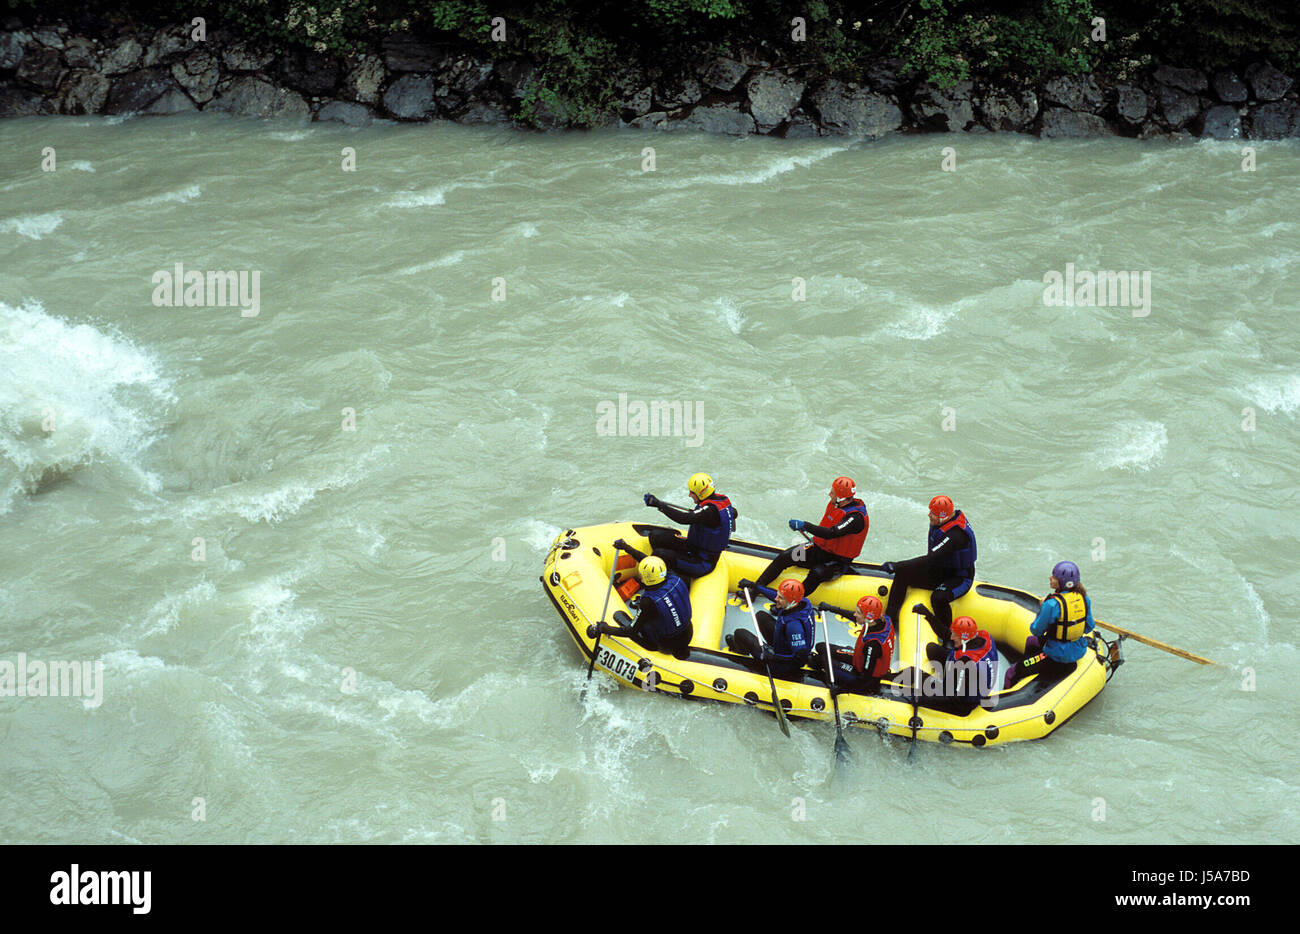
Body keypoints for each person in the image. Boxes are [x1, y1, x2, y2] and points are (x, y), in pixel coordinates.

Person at [754, 476, 869, 599]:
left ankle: (789, 602)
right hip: (818, 550)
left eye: (833, 493)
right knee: (785, 556)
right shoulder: (836, 505)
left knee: (816, 573)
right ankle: (755, 589)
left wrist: (805, 525)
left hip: (837, 561)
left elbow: (831, 533)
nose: (829, 494)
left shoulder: (855, 518)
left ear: (842, 498)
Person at [881, 494, 976, 643]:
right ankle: (889, 621)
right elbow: (933, 561)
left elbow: (930, 559)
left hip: (960, 578)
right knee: (902, 574)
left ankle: (948, 638)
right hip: (941, 570)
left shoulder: (955, 536)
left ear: (944, 517)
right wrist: (900, 568)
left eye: (933, 513)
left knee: (938, 598)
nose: (929, 515)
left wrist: (896, 564)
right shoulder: (942, 523)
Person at [1002, 561, 1095, 689]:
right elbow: (1089, 626)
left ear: (1062, 583)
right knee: (1031, 642)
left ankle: (1022, 672)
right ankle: (1029, 670)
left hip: (1057, 656)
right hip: (1078, 648)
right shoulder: (1084, 599)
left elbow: (1036, 630)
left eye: (1054, 577)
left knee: (1011, 672)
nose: (1050, 578)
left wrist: (1042, 608)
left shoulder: (1051, 604)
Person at [587, 556, 693, 659]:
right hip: (688, 634)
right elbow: (648, 562)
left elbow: (630, 631)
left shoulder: (648, 602)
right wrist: (626, 547)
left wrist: (605, 628)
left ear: (645, 578)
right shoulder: (675, 578)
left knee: (639, 625)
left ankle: (650, 642)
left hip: (666, 645)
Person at [637, 472, 737, 579]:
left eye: (692, 492)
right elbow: (734, 513)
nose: (689, 495)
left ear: (701, 493)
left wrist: (659, 504)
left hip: (702, 562)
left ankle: (667, 577)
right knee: (656, 535)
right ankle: (670, 567)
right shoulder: (721, 501)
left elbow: (683, 518)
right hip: (693, 547)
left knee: (660, 554)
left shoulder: (709, 512)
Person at [728, 578, 816, 678]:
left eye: (780, 598)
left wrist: (773, 657)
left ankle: (741, 651)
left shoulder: (794, 627)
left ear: (791, 602)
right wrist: (754, 585)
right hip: (784, 644)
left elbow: (801, 659)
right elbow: (776, 595)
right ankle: (774, 649)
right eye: (778, 595)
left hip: (783, 664)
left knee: (740, 634)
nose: (775, 599)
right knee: (761, 616)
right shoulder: (802, 602)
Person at [814, 595, 897, 695]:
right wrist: (831, 608)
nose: (855, 614)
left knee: (821, 659)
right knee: (821, 647)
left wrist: (841, 690)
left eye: (858, 612)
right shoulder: (883, 619)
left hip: (866, 677)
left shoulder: (872, 645)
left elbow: (865, 678)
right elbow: (855, 617)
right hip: (860, 658)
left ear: (868, 618)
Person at [923, 615, 1000, 712]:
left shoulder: (965, 663)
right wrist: (928, 615)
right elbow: (947, 635)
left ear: (964, 638)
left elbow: (955, 699)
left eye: (955, 635)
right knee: (932, 649)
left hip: (963, 701)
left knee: (917, 679)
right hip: (972, 678)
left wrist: (922, 700)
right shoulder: (984, 636)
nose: (951, 637)